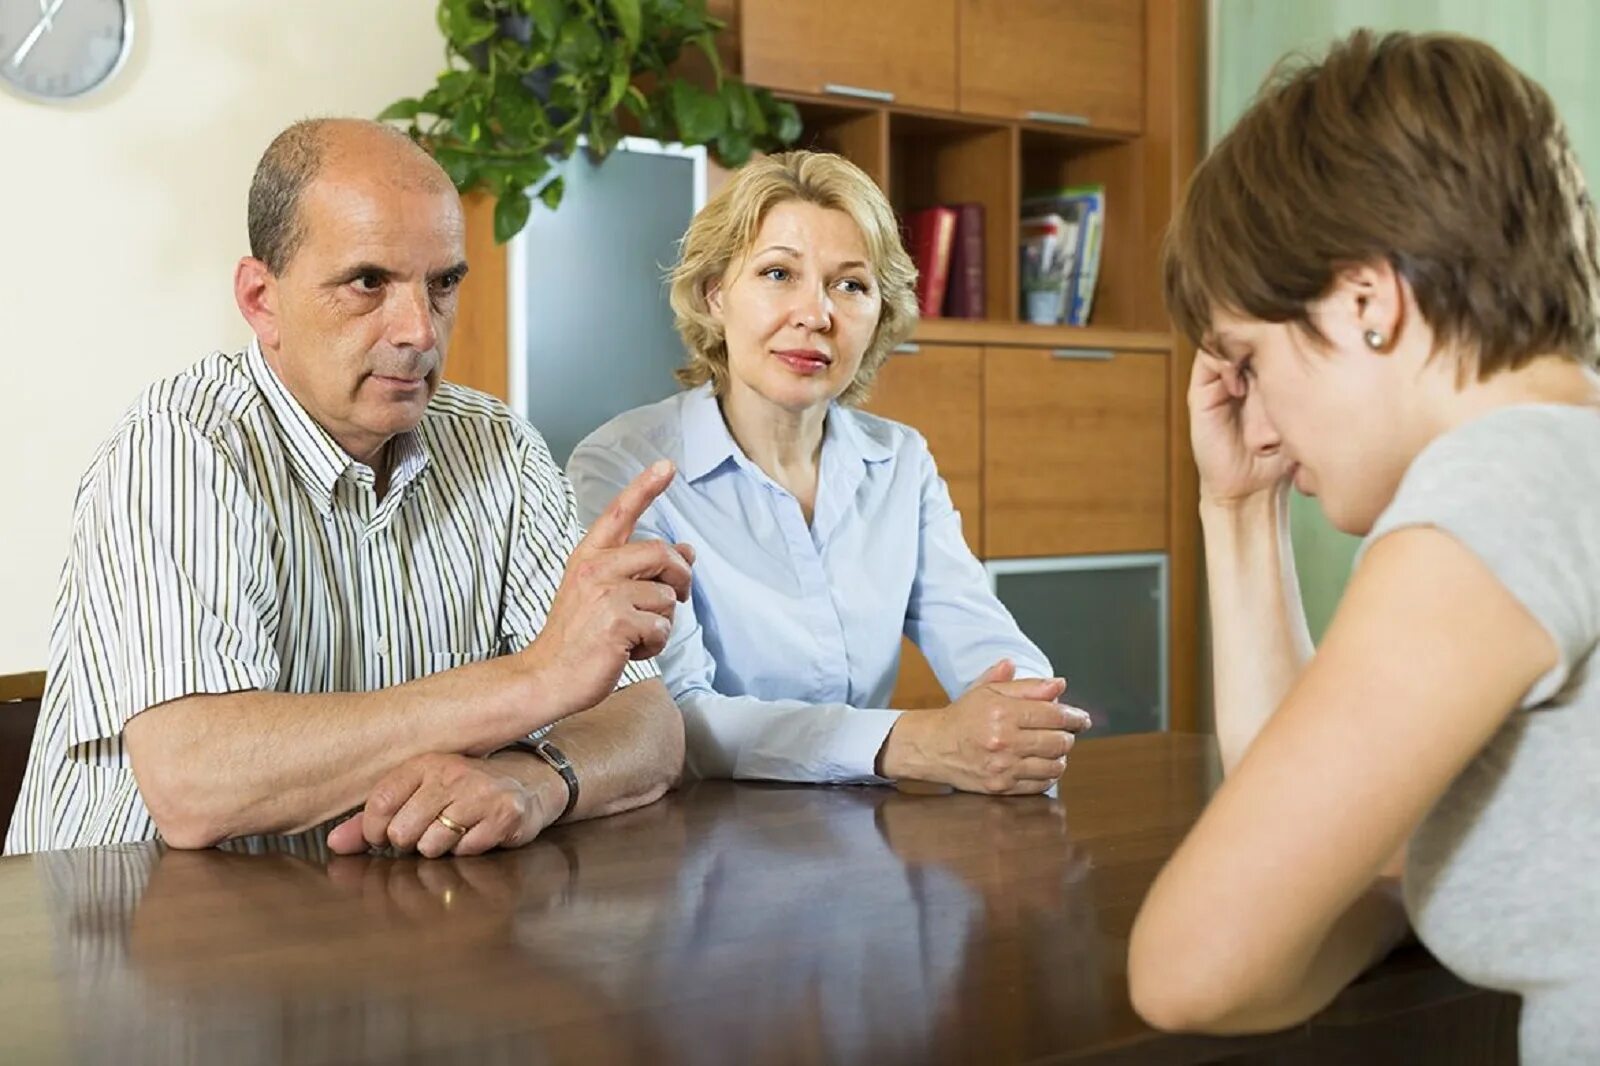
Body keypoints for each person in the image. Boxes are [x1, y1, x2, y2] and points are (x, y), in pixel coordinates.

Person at [5, 118, 688, 859]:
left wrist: (539, 780)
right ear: (262, 299)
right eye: (369, 283)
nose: (420, 331)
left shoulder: (501, 448)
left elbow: (647, 721)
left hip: (367, 933)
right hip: (120, 941)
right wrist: (536, 679)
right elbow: (197, 783)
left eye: (443, 283)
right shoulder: (180, 444)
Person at [1126, 30, 1600, 1063]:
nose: (1251, 415)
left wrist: (1389, 885)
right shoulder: (1571, 466)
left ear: (1364, 302)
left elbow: (1192, 962)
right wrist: (1239, 509)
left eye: (1247, 359)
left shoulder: (1502, 484)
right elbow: (1300, 831)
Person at [567, 151, 1090, 791]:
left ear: (878, 315)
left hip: (862, 838)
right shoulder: (624, 466)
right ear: (715, 295)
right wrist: (914, 741)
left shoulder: (901, 461)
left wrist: (1026, 716)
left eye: (851, 285)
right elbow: (673, 717)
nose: (816, 315)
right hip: (694, 845)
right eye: (779, 273)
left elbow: (980, 638)